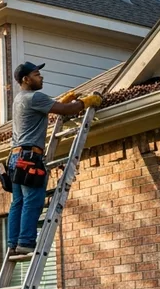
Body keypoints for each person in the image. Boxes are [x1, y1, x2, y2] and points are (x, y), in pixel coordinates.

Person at [6, 61, 102, 256]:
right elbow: (65, 111)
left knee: (18, 202)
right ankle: (26, 242)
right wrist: (86, 102)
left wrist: (63, 101)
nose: (41, 77)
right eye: (36, 74)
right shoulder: (34, 97)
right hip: (29, 158)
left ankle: (13, 243)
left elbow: (53, 107)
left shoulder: (20, 99)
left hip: (15, 158)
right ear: (26, 79)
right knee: (33, 200)